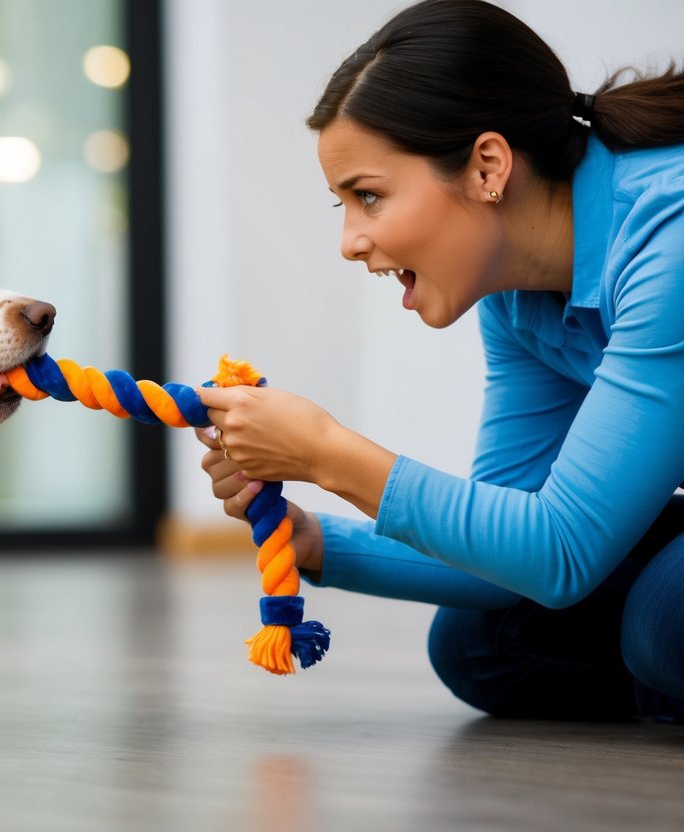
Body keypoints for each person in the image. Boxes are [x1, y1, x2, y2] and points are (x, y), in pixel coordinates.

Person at [195, 0, 684, 721]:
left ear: (487, 166)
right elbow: (513, 549)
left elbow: (559, 552)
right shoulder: (517, 300)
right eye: (343, 206)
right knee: (479, 642)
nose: (350, 241)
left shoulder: (667, 235)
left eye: (368, 196)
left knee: (662, 623)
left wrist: (327, 453)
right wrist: (312, 540)